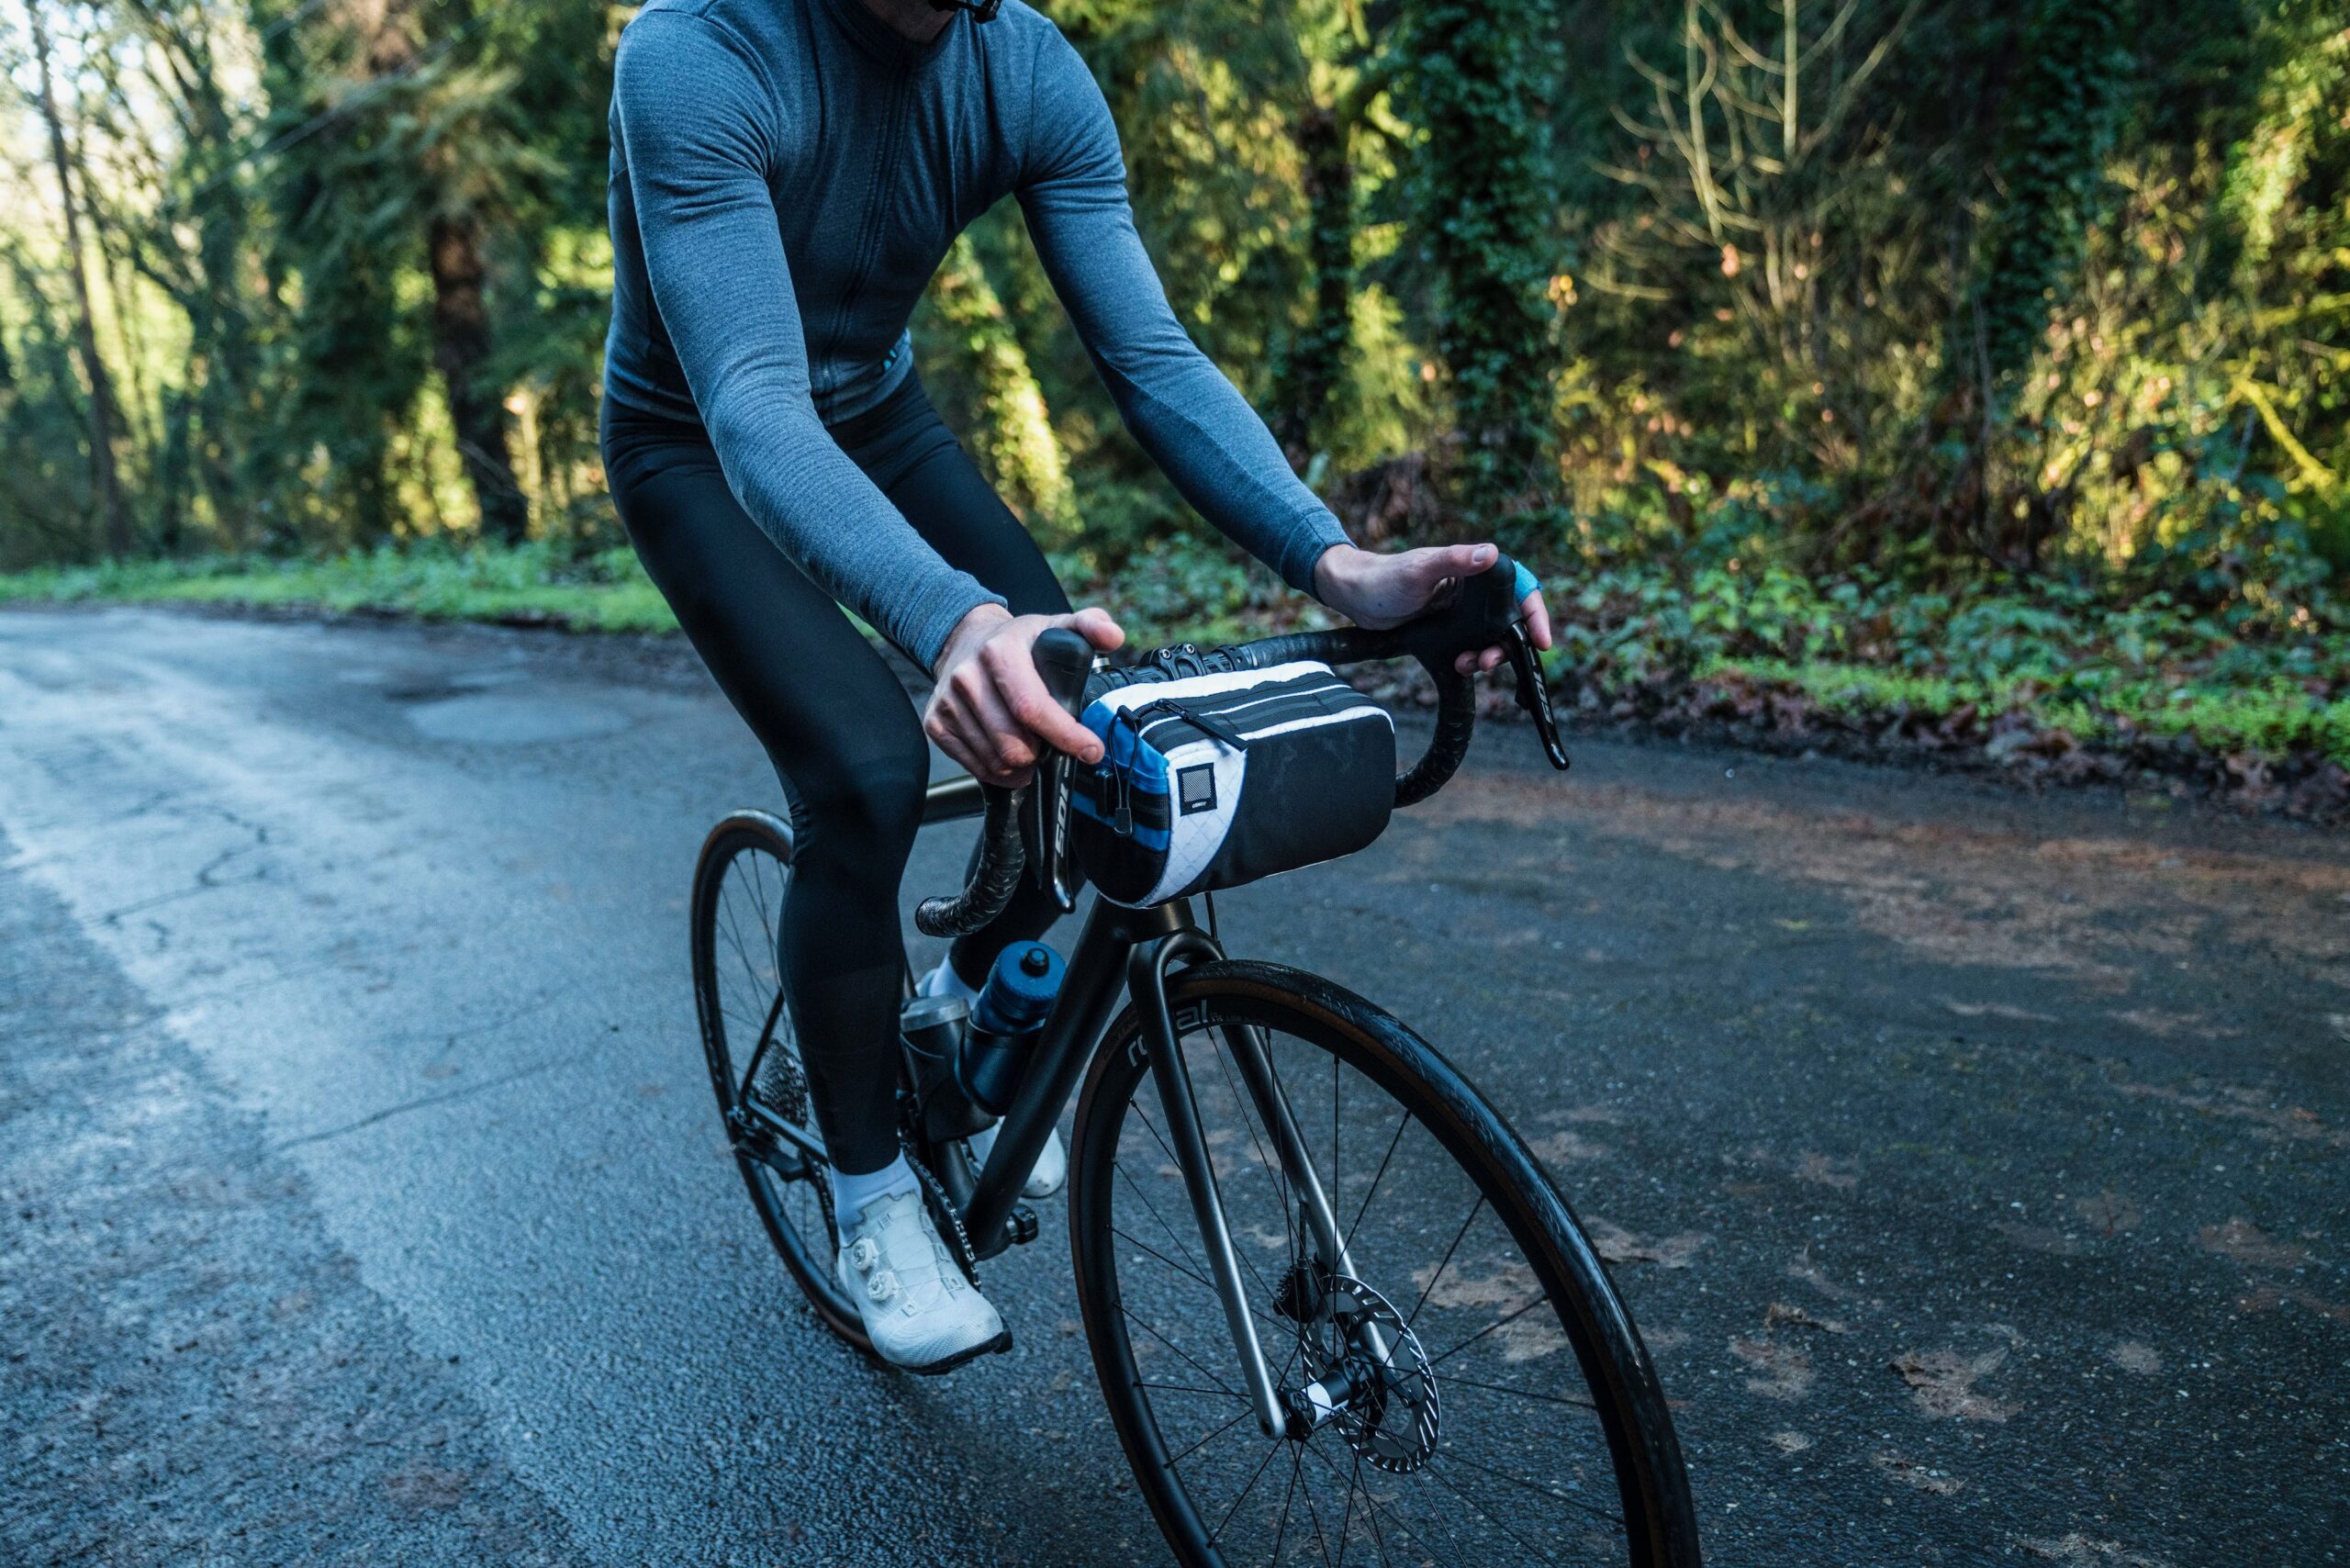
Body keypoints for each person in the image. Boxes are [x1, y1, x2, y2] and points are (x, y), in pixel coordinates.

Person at [600, 0, 1551, 1372]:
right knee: (866, 778)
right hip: (694, 442)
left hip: (874, 417)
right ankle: (872, 1200)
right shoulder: (698, 50)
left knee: (1068, 718)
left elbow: (1151, 360)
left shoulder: (1026, 68)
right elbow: (751, 400)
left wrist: (1341, 568)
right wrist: (951, 622)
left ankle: (954, 1014)